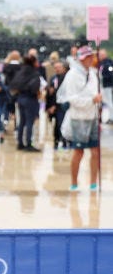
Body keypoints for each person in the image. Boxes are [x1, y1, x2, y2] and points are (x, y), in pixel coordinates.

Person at [57, 45, 102, 190]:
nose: (90, 59)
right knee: (79, 151)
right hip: (79, 118)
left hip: (93, 116)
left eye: (91, 57)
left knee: (95, 151)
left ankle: (93, 182)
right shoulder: (72, 75)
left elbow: (96, 92)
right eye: (87, 57)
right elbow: (72, 99)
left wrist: (97, 103)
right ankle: (74, 182)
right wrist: (91, 101)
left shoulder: (94, 74)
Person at [11, 54, 42, 152]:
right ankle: (28, 143)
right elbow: (35, 88)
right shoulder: (34, 74)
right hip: (30, 99)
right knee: (29, 122)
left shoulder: (20, 72)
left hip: (20, 98)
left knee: (22, 122)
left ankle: (20, 143)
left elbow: (13, 85)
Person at [45, 60, 67, 149]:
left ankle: (64, 142)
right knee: (56, 124)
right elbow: (50, 93)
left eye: (59, 67)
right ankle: (56, 141)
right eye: (56, 68)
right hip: (53, 105)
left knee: (62, 124)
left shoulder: (66, 78)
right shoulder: (53, 78)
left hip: (62, 105)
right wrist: (49, 106)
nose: (57, 69)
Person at [99, 47, 113, 123]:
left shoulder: (108, 63)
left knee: (109, 102)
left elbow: (110, 74)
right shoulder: (102, 63)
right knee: (106, 101)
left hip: (107, 85)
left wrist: (104, 78)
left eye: (101, 55)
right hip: (104, 85)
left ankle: (111, 117)